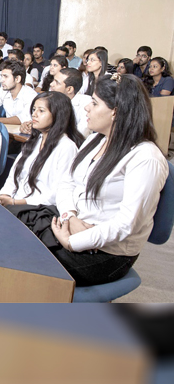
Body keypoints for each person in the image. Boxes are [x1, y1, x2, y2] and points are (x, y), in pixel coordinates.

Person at [50, 74, 168, 286]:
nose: (87, 108)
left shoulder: (145, 158)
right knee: (19, 240)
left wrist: (72, 241)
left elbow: (126, 224)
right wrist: (70, 216)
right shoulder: (96, 139)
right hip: (72, 227)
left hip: (107, 253)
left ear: (116, 111)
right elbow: (67, 183)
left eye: (95, 103)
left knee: (29, 267)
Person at [0, 92, 83, 206]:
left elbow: (58, 193)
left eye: (41, 111)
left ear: (58, 114)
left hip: (37, 208)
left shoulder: (67, 147)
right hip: (15, 203)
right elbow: (13, 177)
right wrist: (4, 196)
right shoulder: (34, 141)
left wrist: (16, 202)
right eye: (34, 109)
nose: (34, 114)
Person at [49, 68, 92, 138]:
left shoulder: (86, 103)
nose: (51, 84)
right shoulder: (50, 99)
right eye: (53, 80)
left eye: (57, 82)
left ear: (69, 89)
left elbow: (82, 132)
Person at [0, 60, 37, 126]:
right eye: (1, 76)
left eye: (5, 76)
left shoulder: (30, 95)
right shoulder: (3, 90)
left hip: (24, 130)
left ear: (17, 79)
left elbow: (23, 118)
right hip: (8, 128)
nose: (1, 80)